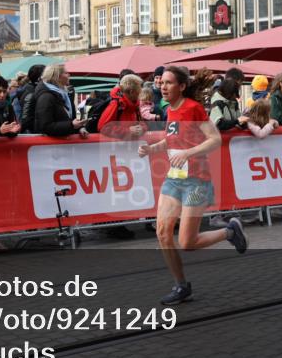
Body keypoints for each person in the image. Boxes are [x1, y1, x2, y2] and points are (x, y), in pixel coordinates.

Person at [138, 66, 247, 305]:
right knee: (163, 233)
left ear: (182, 86)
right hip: (174, 178)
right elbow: (171, 139)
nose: (162, 87)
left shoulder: (193, 108)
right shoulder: (170, 110)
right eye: (161, 83)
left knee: (187, 243)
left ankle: (230, 231)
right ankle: (181, 285)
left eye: (168, 83)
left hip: (196, 179)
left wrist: (188, 153)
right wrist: (150, 149)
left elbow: (215, 139)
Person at [34, 64, 88, 138]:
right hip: (51, 146)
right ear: (57, 76)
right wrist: (71, 125)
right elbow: (45, 126)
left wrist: (79, 128)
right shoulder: (46, 97)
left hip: (62, 144)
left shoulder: (64, 94)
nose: (69, 75)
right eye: (66, 73)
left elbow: (70, 119)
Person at [97, 74, 146, 140]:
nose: (140, 93)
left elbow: (142, 123)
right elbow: (103, 127)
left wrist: (142, 128)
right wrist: (127, 131)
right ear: (131, 92)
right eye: (139, 90)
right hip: (117, 148)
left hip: (131, 146)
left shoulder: (135, 105)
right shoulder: (116, 104)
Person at [17, 64, 45, 132]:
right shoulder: (31, 94)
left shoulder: (33, 91)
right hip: (35, 135)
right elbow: (26, 121)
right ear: (40, 78)